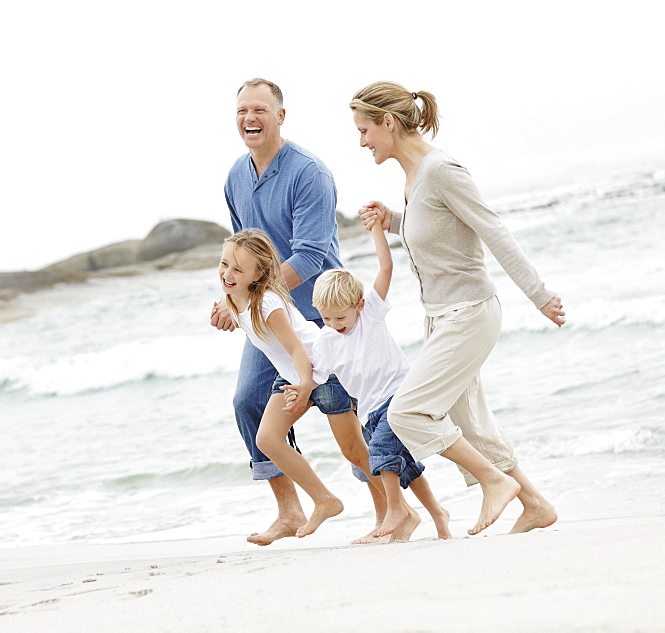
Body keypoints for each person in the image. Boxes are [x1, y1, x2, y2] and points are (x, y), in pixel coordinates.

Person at [351, 81, 566, 535]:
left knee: (407, 411)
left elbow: (492, 230)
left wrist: (539, 294)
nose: (362, 141)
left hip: (469, 313)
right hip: (441, 317)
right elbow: (437, 232)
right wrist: (391, 220)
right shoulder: (414, 179)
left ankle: (494, 481)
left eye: (365, 129)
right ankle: (535, 505)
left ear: (388, 122)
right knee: (471, 424)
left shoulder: (442, 169)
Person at [210, 78, 383, 545]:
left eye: (261, 110)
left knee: (350, 421)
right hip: (269, 318)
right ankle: (288, 510)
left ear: (280, 116)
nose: (251, 118)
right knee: (248, 402)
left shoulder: (309, 173)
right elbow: (243, 254)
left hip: (327, 318)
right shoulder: (234, 177)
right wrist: (234, 295)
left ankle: (392, 510)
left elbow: (308, 257)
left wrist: (246, 296)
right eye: (243, 110)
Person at [310, 207, 452, 541]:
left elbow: (385, 266)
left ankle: (396, 511)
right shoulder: (326, 340)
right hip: (369, 410)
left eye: (339, 319)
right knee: (407, 469)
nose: (334, 326)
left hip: (399, 393)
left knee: (381, 453)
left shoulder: (369, 314)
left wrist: (376, 229)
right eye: (326, 319)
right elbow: (315, 375)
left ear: (358, 305)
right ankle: (438, 516)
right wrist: (298, 388)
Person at [218, 228, 348, 538]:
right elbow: (248, 323)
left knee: (355, 449)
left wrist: (306, 385)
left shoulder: (267, 304)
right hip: (294, 377)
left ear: (259, 273)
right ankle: (324, 500)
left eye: (238, 269)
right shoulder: (237, 298)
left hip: (322, 372)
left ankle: (403, 512)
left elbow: (296, 348)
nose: (228, 273)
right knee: (267, 440)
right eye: (224, 264)